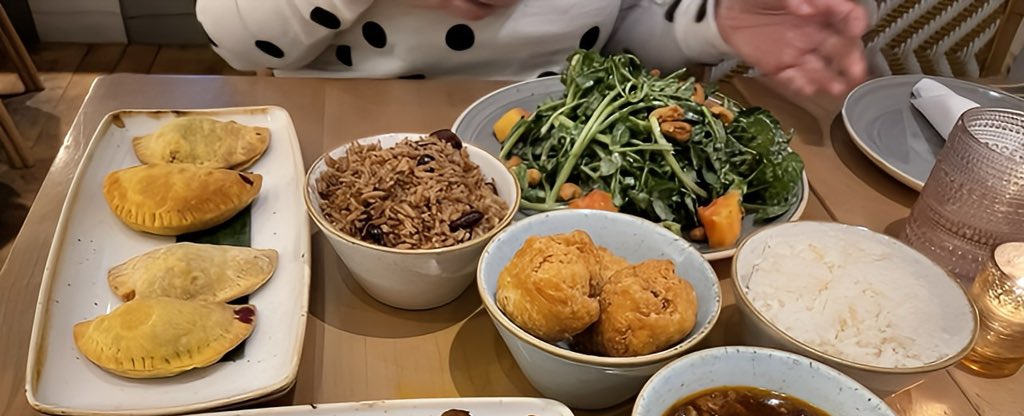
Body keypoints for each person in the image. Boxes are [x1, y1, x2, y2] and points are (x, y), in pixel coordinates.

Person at [196, 0, 868, 96]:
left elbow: (623, 33)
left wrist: (713, 23)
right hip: (331, 137)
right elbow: (232, 35)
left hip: (550, 156)